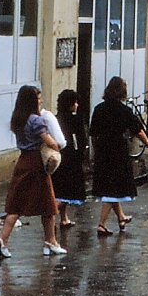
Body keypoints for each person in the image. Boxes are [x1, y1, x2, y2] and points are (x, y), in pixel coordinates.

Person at [0, 85, 65, 258]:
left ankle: (2, 239)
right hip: (36, 163)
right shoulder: (36, 120)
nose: (41, 101)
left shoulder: (18, 119)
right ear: (31, 101)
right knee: (48, 204)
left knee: (16, 205)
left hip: (22, 161)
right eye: (38, 98)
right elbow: (51, 142)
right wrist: (57, 147)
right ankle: (51, 241)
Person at [90, 76, 148, 237]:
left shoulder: (98, 109)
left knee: (111, 186)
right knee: (113, 190)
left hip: (102, 151)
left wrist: (96, 150)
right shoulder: (124, 111)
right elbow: (138, 130)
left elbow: (93, 133)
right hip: (118, 151)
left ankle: (121, 217)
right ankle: (102, 224)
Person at [52, 89, 88, 228]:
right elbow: (81, 138)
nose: (77, 105)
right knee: (69, 192)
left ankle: (64, 218)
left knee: (60, 190)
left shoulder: (56, 119)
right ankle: (51, 215)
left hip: (59, 157)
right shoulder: (76, 119)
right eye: (75, 102)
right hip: (72, 158)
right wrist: (82, 153)